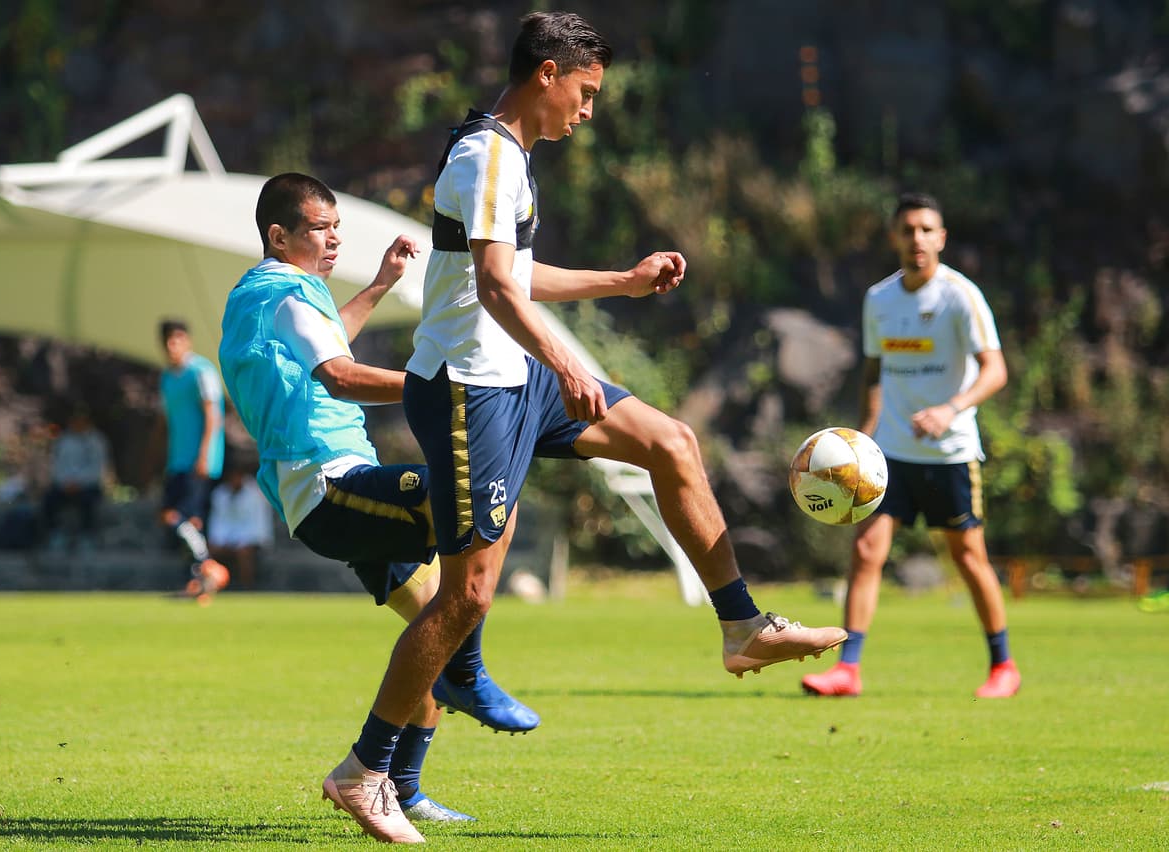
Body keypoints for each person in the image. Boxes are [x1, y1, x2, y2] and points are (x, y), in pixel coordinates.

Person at [322, 12, 846, 843]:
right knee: (467, 596)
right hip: (470, 392)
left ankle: (742, 626)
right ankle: (364, 770)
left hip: (514, 377)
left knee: (671, 443)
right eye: (586, 90)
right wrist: (567, 365)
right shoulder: (486, 156)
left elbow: (519, 273)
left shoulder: (508, 154)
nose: (589, 110)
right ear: (547, 74)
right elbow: (496, 287)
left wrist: (623, 282)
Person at [218, 172, 540, 826]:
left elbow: (326, 344)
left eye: (337, 226)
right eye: (320, 228)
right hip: (331, 486)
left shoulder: (273, 297)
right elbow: (339, 375)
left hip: (335, 487)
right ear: (278, 236)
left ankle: (404, 787)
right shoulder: (284, 294)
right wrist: (441, 387)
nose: (335, 238)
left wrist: (380, 285)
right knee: (475, 499)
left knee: (436, 628)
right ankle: (463, 681)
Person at [801, 192, 1020, 699]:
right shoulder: (879, 299)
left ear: (941, 238)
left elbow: (996, 371)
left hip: (949, 454)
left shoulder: (960, 297)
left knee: (969, 558)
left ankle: (1003, 666)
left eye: (925, 229)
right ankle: (847, 669)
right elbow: (873, 372)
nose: (916, 238)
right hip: (891, 454)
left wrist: (950, 409)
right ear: (894, 238)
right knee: (866, 550)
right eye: (908, 230)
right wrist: (862, 439)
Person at [158, 318, 230, 600]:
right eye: (167, 339)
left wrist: (204, 455)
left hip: (199, 460)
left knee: (181, 517)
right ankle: (197, 581)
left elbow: (213, 414)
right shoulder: (167, 377)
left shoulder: (202, 371)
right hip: (176, 460)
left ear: (187, 341)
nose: (172, 344)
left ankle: (209, 567)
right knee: (182, 521)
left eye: (177, 338)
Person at [41, 405, 109, 551]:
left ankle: (87, 536)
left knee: (88, 501)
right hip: (64, 485)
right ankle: (55, 534)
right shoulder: (63, 440)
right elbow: (57, 465)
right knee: (49, 499)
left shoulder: (96, 441)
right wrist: (65, 483)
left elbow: (96, 468)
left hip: (87, 485)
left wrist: (79, 483)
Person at [207, 464, 274, 589]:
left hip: (251, 538)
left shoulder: (255, 493)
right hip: (228, 538)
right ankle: (211, 585)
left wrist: (241, 541)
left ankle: (246, 587)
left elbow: (258, 523)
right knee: (210, 550)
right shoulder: (219, 494)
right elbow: (219, 521)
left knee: (243, 552)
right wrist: (222, 541)